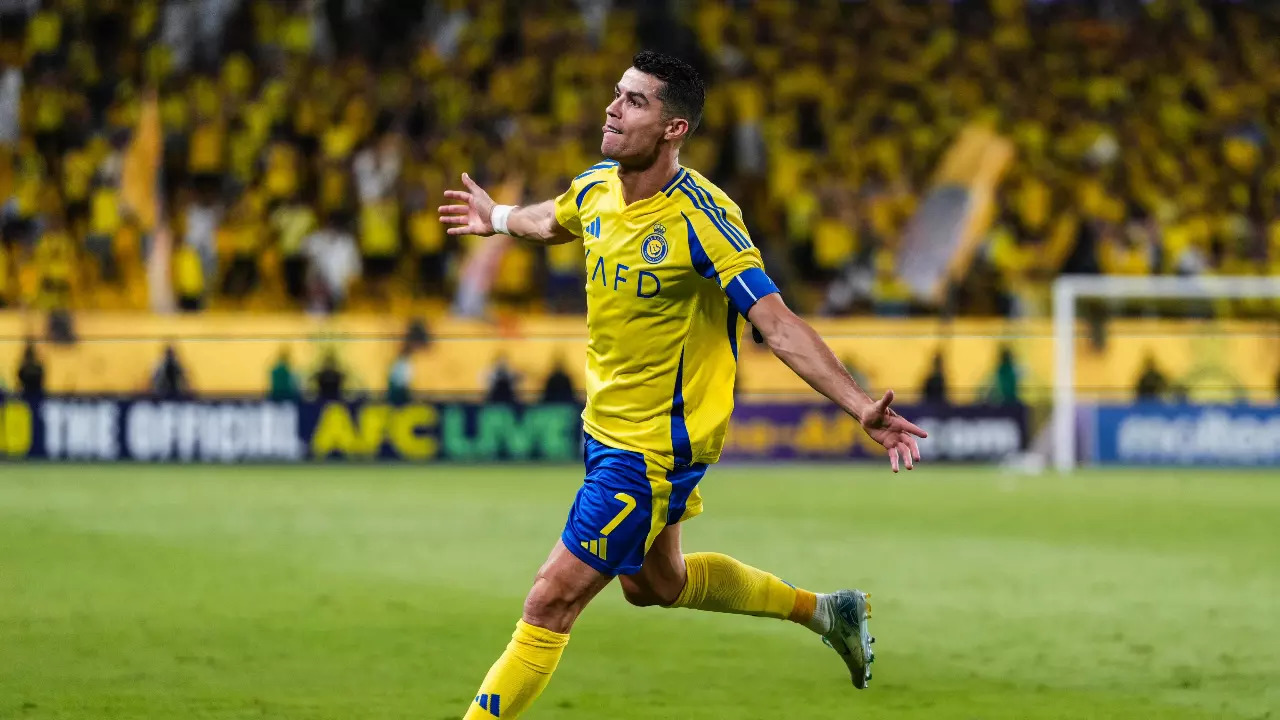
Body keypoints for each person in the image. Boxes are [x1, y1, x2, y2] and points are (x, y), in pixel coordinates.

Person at [440, 51, 926, 719]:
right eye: (616, 94)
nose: (612, 108)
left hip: (655, 449)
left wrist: (858, 406)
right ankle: (826, 611)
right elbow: (550, 221)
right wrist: (496, 218)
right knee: (656, 585)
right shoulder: (596, 188)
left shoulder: (702, 216)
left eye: (634, 101)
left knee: (550, 599)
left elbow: (777, 324)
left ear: (674, 129)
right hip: (605, 430)